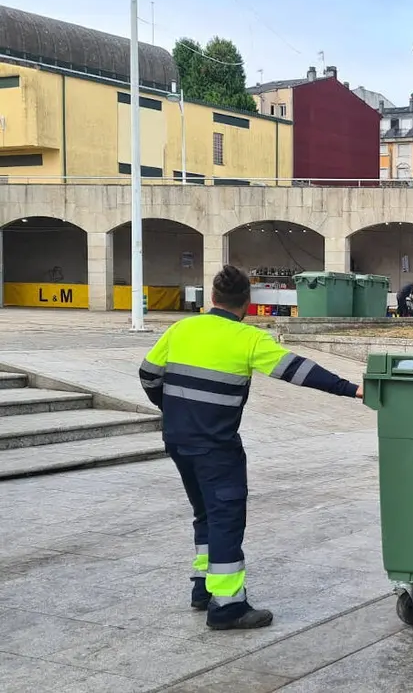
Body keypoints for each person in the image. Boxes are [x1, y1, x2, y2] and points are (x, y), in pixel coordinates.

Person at [138, 264, 365, 630]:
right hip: (216, 446)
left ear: (212, 298)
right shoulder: (249, 339)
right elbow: (298, 370)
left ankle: (203, 588)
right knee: (225, 517)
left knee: (205, 514)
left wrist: (174, 409)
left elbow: (148, 374)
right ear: (247, 303)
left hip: (178, 441)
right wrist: (351, 388)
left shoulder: (181, 328)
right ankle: (227, 605)